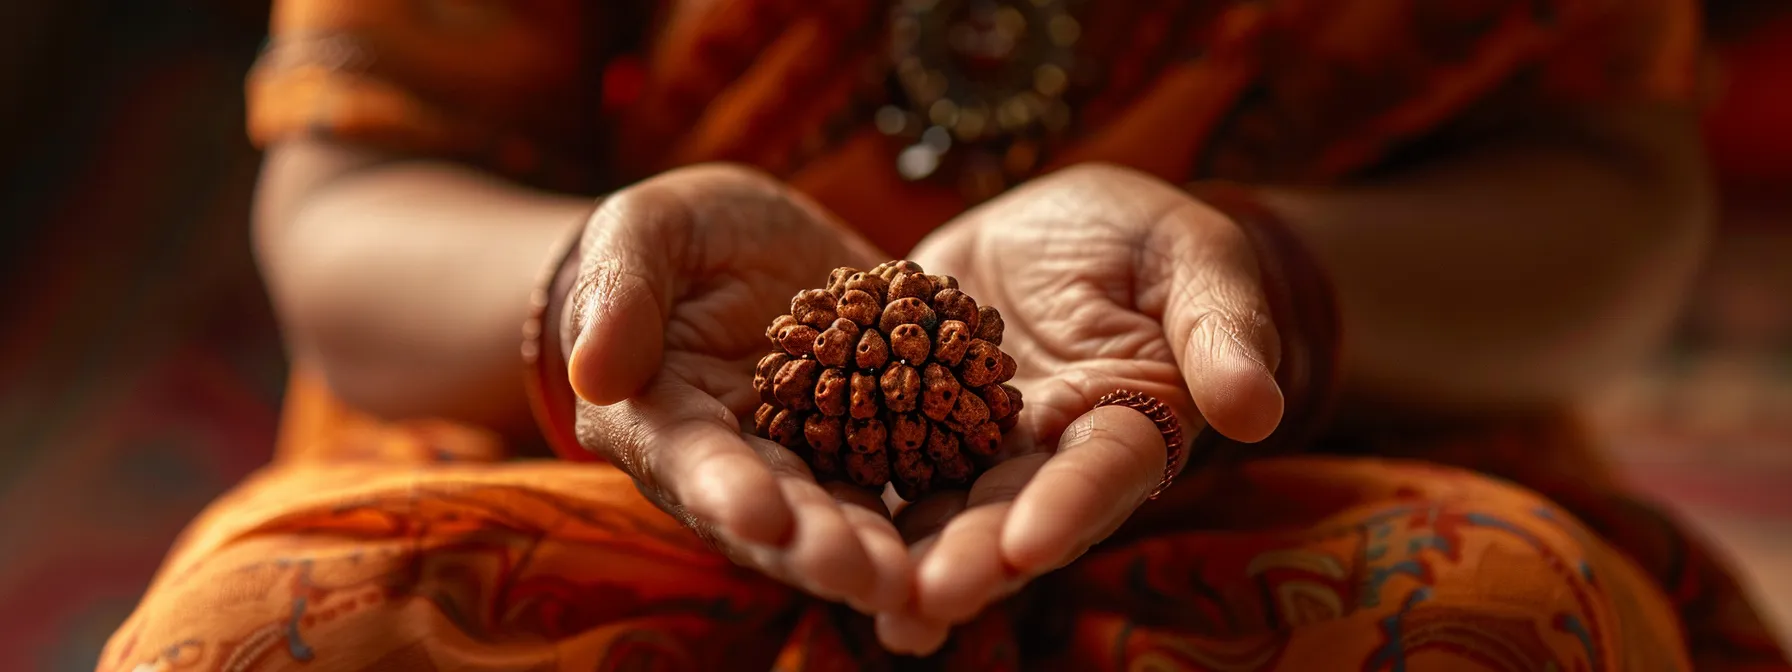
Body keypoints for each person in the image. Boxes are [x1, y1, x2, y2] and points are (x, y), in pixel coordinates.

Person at [101, 0, 1788, 670]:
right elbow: (355, 195)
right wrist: (585, 299)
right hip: (582, 438)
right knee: (269, 638)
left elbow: (1607, 200)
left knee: (1518, 631)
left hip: (1317, 436)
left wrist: (1271, 285)